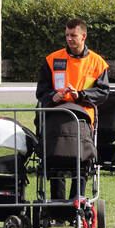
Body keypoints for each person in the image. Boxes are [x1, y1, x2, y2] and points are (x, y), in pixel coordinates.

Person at [35, 19, 110, 200]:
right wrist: (52, 96)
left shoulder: (97, 63)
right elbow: (41, 90)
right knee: (56, 159)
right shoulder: (52, 59)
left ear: (83, 36)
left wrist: (81, 95)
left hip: (83, 120)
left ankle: (78, 200)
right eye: (67, 35)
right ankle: (57, 203)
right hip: (56, 117)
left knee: (81, 160)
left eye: (73, 35)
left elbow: (103, 92)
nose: (69, 39)